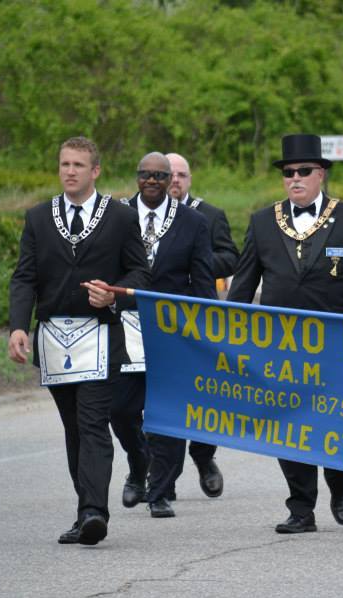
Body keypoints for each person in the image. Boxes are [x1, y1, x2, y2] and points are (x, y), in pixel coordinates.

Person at [227, 133, 343, 534]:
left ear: (321, 174)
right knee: (287, 424)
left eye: (303, 171)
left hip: (336, 343)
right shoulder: (263, 221)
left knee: (332, 420)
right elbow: (243, 284)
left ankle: (340, 486)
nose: (294, 178)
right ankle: (300, 508)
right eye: (288, 173)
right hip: (279, 344)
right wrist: (228, 331)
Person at [8, 136, 150, 545]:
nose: (69, 171)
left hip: (101, 335)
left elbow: (141, 274)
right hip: (54, 338)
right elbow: (24, 277)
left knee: (93, 424)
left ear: (95, 171)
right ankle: (84, 509)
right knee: (74, 429)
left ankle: (93, 513)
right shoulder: (38, 217)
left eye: (78, 165)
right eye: (64, 164)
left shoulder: (120, 217)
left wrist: (114, 294)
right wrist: (18, 326)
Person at [113, 152, 215, 518]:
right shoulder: (117, 215)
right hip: (125, 327)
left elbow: (203, 283)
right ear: (136, 177)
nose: (152, 181)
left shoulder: (194, 223)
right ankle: (138, 463)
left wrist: (204, 333)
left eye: (160, 175)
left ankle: (159, 492)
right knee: (121, 409)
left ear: (171, 179)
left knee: (168, 413)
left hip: (174, 330)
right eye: (146, 174)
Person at [164, 152, 241, 499]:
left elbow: (231, 257)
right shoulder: (139, 216)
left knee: (205, 394)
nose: (175, 180)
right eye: (169, 174)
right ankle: (160, 474)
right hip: (157, 319)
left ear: (190, 179)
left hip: (200, 318)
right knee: (162, 396)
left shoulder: (209, 214)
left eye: (181, 174)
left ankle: (203, 455)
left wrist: (194, 262)